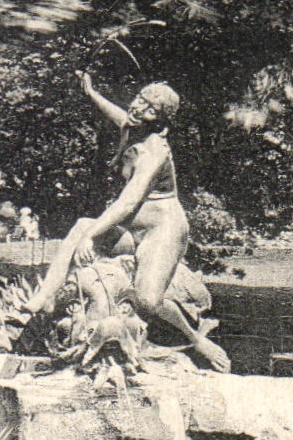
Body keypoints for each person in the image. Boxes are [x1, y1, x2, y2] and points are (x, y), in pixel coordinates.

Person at [23, 73, 231, 372]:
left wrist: (92, 238)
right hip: (132, 229)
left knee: (147, 301)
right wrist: (91, 92)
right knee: (82, 224)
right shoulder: (131, 127)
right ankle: (43, 297)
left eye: (149, 109)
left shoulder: (153, 151)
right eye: (140, 100)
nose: (138, 108)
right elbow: (117, 113)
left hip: (163, 229)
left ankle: (196, 339)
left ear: (159, 120)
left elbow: (129, 201)